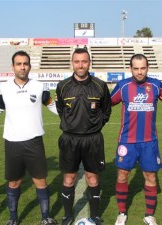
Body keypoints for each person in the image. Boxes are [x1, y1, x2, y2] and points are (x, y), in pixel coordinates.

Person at [0, 50, 58, 225]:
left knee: (40, 181)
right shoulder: (4, 88)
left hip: (34, 141)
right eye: (19, 64)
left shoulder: (39, 86)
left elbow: (51, 105)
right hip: (12, 142)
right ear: (13, 66)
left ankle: (45, 217)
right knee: (14, 182)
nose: (22, 67)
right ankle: (13, 218)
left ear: (30, 66)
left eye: (25, 63)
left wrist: (71, 116)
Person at [110, 53, 162, 225]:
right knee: (122, 175)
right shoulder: (123, 86)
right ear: (130, 69)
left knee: (150, 176)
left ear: (147, 68)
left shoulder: (156, 85)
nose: (139, 72)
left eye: (142, 68)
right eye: (136, 68)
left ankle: (149, 215)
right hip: (127, 140)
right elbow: (107, 103)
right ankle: (122, 212)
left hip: (149, 141)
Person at [55, 48, 112, 225]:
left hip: (93, 139)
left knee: (92, 177)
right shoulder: (63, 86)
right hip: (69, 139)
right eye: (77, 61)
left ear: (89, 63)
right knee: (69, 178)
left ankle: (95, 216)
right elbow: (60, 110)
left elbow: (107, 111)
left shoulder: (100, 85)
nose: (80, 65)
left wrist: (94, 127)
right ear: (72, 63)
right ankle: (67, 215)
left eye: (84, 61)